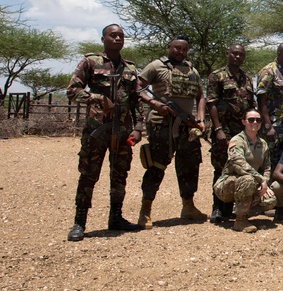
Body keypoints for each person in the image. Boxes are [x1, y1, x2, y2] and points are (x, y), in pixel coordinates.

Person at [66, 24, 143, 241]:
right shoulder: (91, 61)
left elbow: (137, 100)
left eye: (121, 36)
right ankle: (79, 223)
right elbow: (72, 90)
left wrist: (138, 128)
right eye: (113, 35)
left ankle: (116, 217)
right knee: (89, 174)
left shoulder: (129, 68)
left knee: (120, 175)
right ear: (103, 39)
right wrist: (97, 98)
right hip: (96, 130)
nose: (118, 39)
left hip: (122, 131)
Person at [137, 36, 208, 229]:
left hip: (187, 125)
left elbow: (201, 96)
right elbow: (137, 87)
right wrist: (154, 103)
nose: (180, 52)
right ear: (169, 47)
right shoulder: (155, 66)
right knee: (157, 164)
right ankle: (145, 210)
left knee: (190, 165)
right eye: (177, 48)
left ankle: (188, 206)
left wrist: (200, 119)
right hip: (162, 124)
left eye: (184, 50)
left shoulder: (192, 70)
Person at [206, 43, 255, 223]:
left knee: (239, 166)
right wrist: (217, 129)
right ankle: (217, 207)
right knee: (220, 167)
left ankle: (231, 207)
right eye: (234, 53)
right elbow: (211, 103)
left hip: (241, 132)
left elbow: (250, 107)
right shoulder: (217, 76)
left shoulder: (247, 79)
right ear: (227, 54)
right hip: (224, 130)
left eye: (240, 54)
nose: (237, 57)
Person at [213, 110, 276, 233]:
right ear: (243, 122)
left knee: (270, 200)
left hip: (253, 182)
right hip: (227, 185)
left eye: (258, 120)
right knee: (248, 180)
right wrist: (260, 179)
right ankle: (240, 220)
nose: (255, 122)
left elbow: (267, 167)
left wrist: (265, 183)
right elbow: (240, 165)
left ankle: (245, 212)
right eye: (251, 120)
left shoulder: (262, 143)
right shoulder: (237, 141)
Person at [256, 43, 283, 170]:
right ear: (279, 54)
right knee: (269, 160)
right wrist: (268, 125)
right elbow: (261, 99)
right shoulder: (269, 71)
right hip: (273, 126)